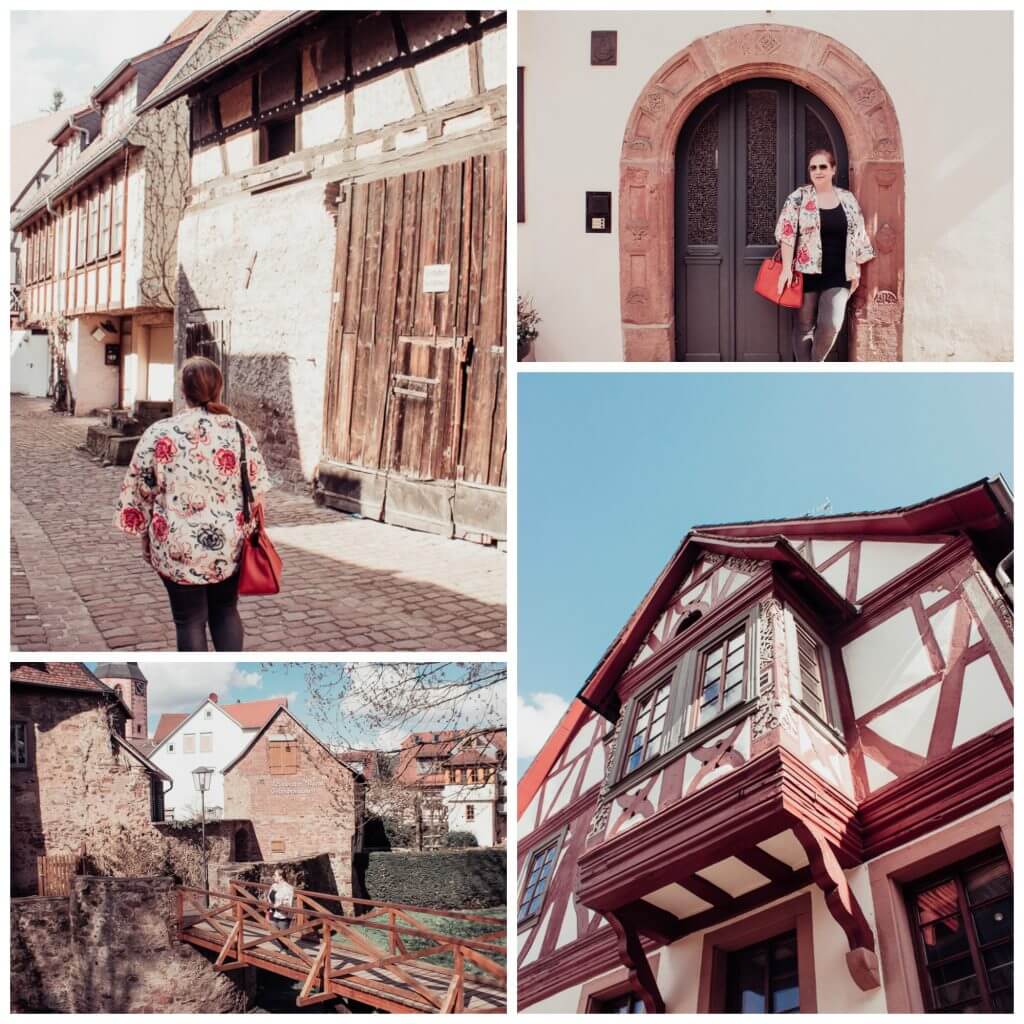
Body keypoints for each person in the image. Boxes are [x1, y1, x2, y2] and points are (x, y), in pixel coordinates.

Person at [114, 356, 270, 651]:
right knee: (225, 611)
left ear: (182, 391)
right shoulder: (238, 432)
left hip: (177, 546)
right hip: (229, 543)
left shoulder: (160, 433)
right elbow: (258, 492)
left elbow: (138, 493)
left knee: (189, 620)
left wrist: (145, 538)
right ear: (219, 389)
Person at [774, 148, 875, 362]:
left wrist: (856, 272)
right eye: (813, 167)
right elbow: (787, 232)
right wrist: (785, 270)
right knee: (803, 326)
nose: (818, 171)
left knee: (832, 325)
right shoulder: (798, 198)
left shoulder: (847, 199)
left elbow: (858, 233)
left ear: (833, 170)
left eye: (823, 166)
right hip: (805, 271)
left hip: (839, 273)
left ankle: (815, 364)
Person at [266, 868, 295, 950]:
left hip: (283, 915)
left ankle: (285, 951)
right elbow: (269, 897)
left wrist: (280, 905)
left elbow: (289, 904)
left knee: (283, 935)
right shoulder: (274, 886)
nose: (273, 877)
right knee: (273, 932)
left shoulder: (288, 888)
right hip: (273, 913)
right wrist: (269, 911)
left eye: (275, 875)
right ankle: (284, 949)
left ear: (281, 877)